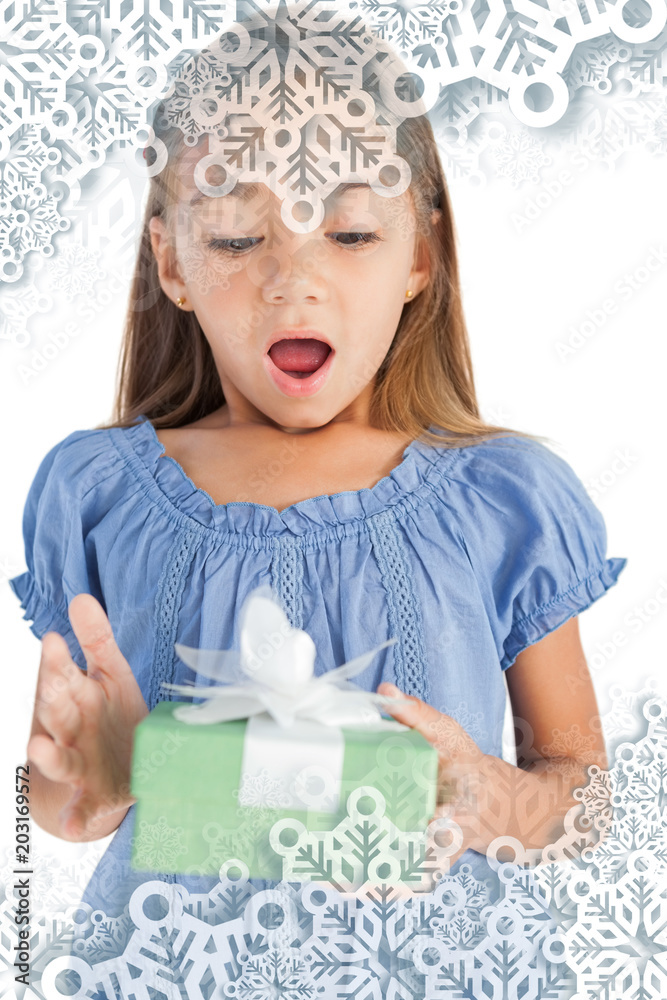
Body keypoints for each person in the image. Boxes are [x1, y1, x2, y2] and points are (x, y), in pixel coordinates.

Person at [10, 3, 626, 919]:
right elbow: (60, 801)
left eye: (347, 234)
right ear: (171, 260)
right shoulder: (96, 493)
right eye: (234, 237)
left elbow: (586, 794)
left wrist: (493, 797)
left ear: (420, 251)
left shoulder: (504, 499)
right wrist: (87, 790)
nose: (293, 280)